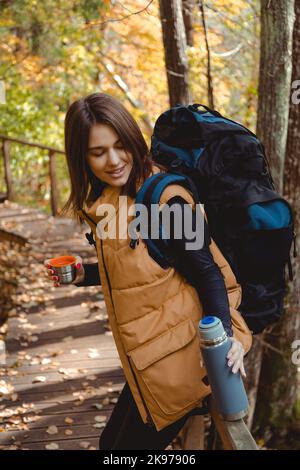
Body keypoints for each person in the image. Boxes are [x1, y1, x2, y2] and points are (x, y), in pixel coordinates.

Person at [44, 92, 252, 450]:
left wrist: (227, 337)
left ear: (132, 138)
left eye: (120, 145)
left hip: (186, 362)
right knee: (112, 447)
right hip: (151, 359)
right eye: (98, 152)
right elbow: (146, 264)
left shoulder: (164, 198)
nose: (113, 160)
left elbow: (207, 273)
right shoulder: (112, 197)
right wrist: (84, 274)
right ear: (81, 157)